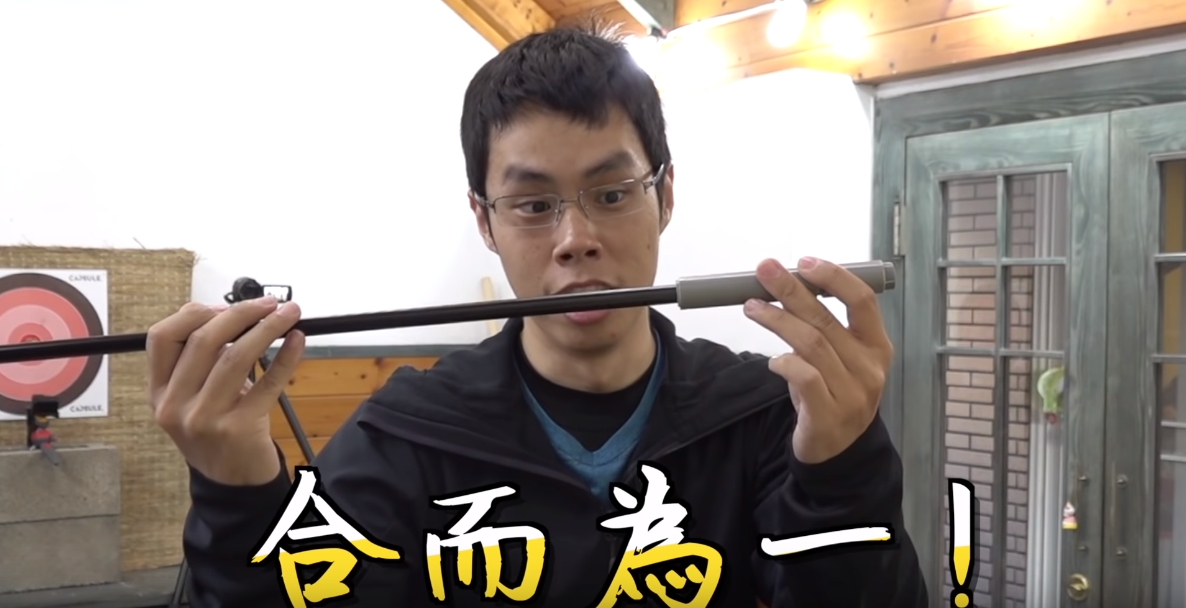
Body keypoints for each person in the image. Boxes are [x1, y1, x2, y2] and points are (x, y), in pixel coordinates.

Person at [149, 24, 928, 608]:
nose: (575, 240)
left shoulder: (763, 418)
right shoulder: (405, 435)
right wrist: (238, 494)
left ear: (664, 195)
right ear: (484, 221)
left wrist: (842, 471)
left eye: (612, 194)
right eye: (532, 205)